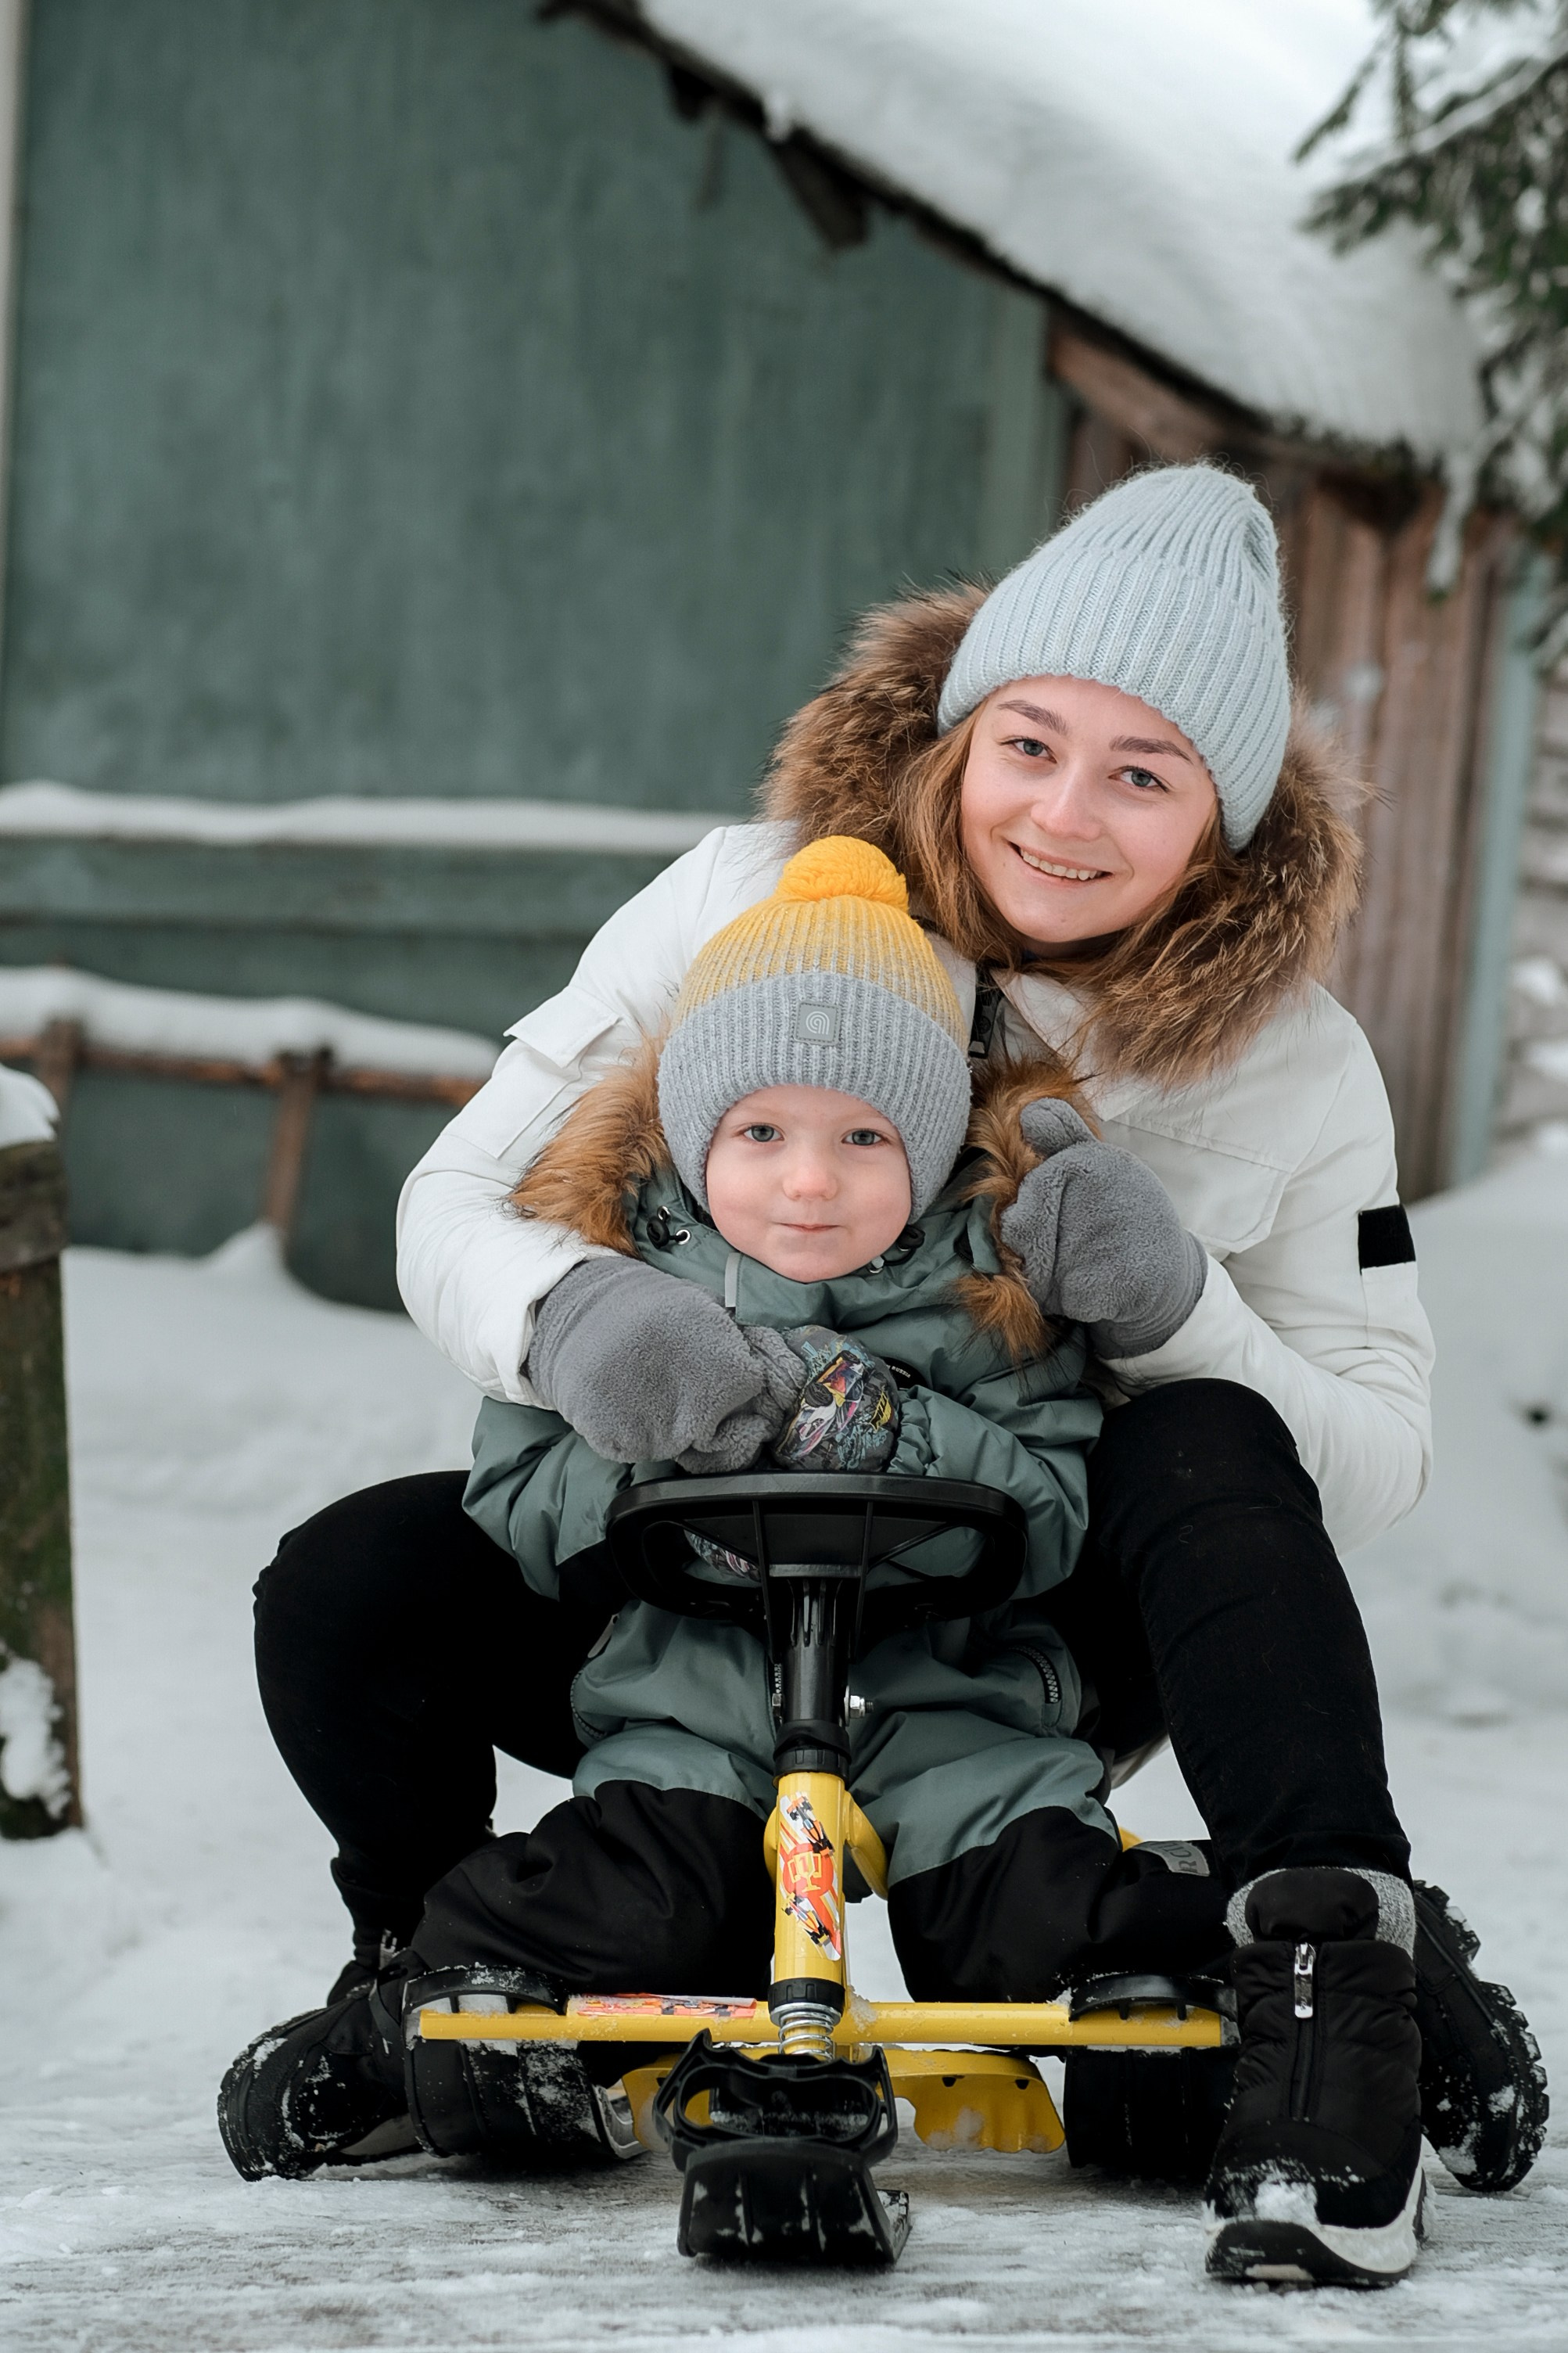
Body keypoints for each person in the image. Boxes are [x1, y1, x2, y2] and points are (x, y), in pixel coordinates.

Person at [250, 466, 1545, 2283]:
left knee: (1204, 1434)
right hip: (687, 1580)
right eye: (1030, 743)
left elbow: (1377, 1448)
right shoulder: (745, 901)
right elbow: (458, 1198)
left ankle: (1332, 1978)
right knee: (349, 1580)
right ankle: (430, 1983)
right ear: (957, 730)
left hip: (1017, 1603)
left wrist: (1173, 1308)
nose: (1064, 814)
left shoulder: (1296, 1063)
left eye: (1144, 774)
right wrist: (572, 1317)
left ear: (1224, 824)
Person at [223, 839, 1240, 2175]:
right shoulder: (621, 1273)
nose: (808, 1181)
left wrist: (888, 1427)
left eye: (864, 1139)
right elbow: (516, 1492)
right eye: (761, 1134)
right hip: (691, 1715)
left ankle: (1234, 1977)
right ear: (698, 1134)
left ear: (929, 1146)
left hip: (954, 1720)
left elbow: (1053, 1510)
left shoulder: (989, 1291)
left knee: (1034, 1932)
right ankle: (415, 2008)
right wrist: (666, 1448)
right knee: (626, 1915)